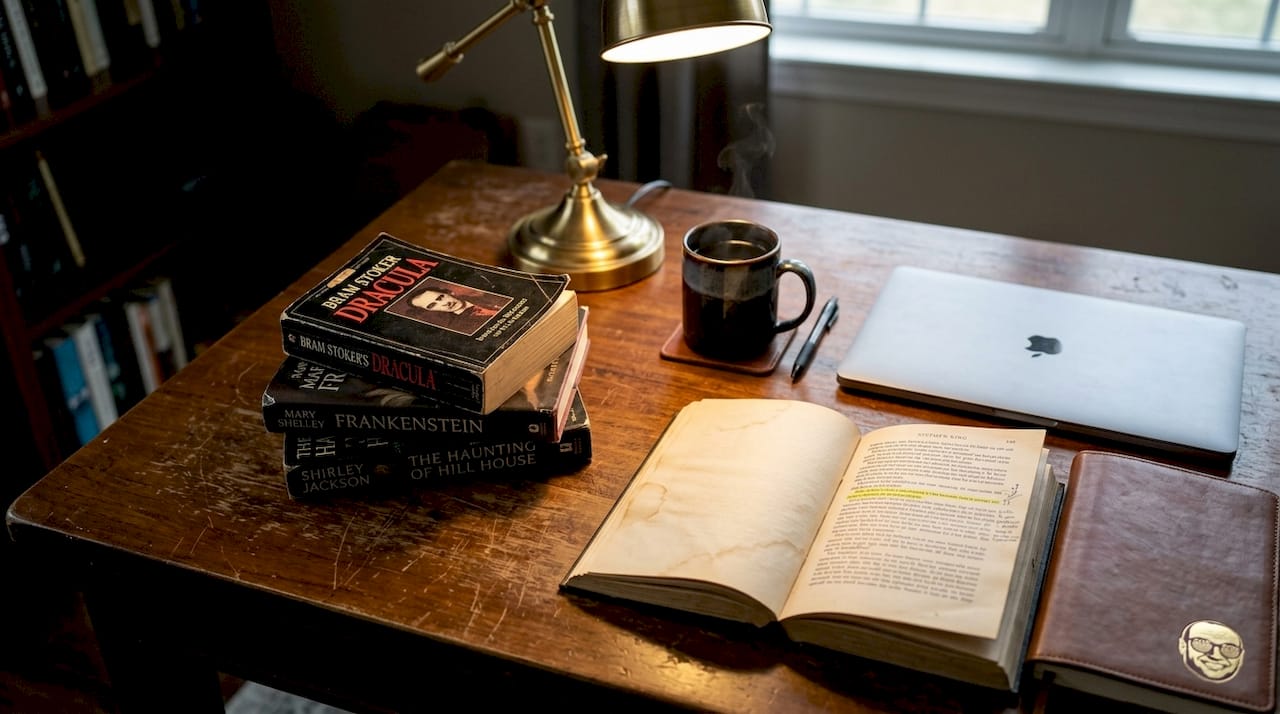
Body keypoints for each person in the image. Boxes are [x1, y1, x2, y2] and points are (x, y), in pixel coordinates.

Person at [404, 284, 507, 334]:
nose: (445, 304)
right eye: (432, 305)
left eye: (440, 297)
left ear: (449, 292)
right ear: (431, 311)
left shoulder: (488, 293)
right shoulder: (461, 328)